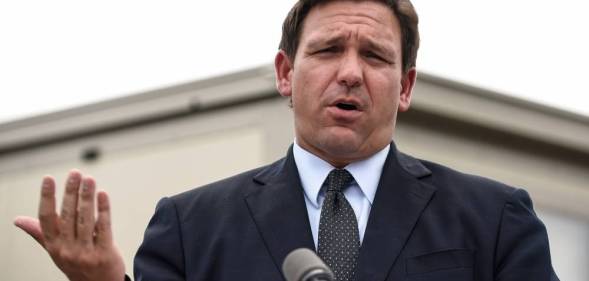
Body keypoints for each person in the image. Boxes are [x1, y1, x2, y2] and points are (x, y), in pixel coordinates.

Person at [14, 0, 559, 280]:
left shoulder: (493, 220)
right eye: (326, 51)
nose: (349, 73)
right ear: (284, 73)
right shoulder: (190, 227)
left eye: (374, 55)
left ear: (406, 86)